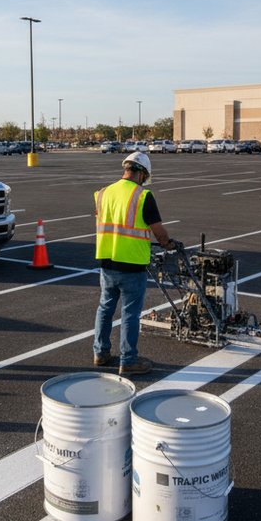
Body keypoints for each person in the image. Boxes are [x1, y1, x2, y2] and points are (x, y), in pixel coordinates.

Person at [93, 151, 178, 376]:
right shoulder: (142, 196)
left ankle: (100, 353)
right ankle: (128, 359)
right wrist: (168, 244)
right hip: (132, 264)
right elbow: (158, 231)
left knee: (105, 308)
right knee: (130, 313)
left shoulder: (103, 193)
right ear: (141, 174)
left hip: (107, 261)